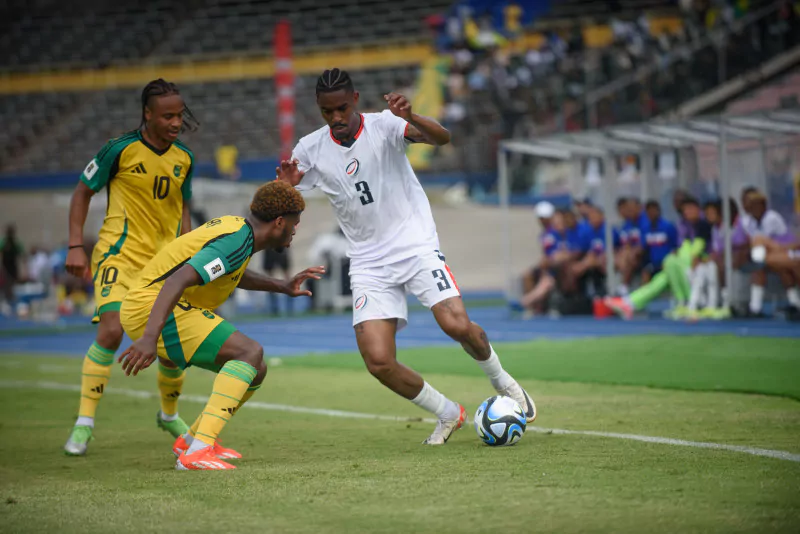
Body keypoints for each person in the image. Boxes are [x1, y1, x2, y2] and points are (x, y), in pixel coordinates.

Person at [276, 68, 536, 445]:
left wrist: (411, 116)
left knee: (457, 325)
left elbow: (442, 138)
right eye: (327, 111)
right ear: (318, 108)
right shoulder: (309, 149)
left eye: (342, 108)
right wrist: (285, 189)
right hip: (367, 261)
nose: (336, 117)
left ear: (355, 100)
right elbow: (281, 199)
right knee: (378, 361)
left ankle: (504, 383)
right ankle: (448, 413)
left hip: (414, 244)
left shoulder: (384, 125)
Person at [118, 181, 324, 470]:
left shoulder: (239, 232)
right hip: (150, 307)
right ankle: (197, 453)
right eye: (295, 222)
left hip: (160, 305)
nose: (295, 229)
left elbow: (231, 270)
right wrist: (149, 337)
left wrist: (281, 285)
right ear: (279, 222)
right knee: (249, 352)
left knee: (256, 369)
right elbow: (178, 279)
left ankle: (190, 441)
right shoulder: (236, 241)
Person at [63, 79, 199, 456]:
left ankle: (169, 415)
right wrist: (75, 246)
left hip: (164, 264)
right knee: (111, 330)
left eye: (179, 115)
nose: (176, 122)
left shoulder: (184, 159)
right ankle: (84, 423)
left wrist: (190, 256)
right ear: (147, 114)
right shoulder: (119, 149)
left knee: (171, 346)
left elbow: (183, 208)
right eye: (168, 116)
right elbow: (82, 192)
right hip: (118, 255)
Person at [605, 197, 712, 319]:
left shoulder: (703, 224)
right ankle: (629, 303)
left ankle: (689, 302)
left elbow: (697, 248)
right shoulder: (684, 225)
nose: (687, 212)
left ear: (698, 209)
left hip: (700, 263)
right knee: (663, 274)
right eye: (685, 210)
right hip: (679, 264)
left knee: (669, 265)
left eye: (690, 209)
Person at [738, 190, 800, 316]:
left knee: (759, 241)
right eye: (750, 205)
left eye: (755, 205)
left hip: (785, 250)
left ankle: (758, 261)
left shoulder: (771, 217)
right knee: (759, 269)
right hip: (772, 256)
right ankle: (755, 309)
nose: (752, 208)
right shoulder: (748, 220)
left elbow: (773, 243)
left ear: (763, 206)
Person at [640, 200, 678, 284]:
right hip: (653, 263)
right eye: (649, 212)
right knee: (645, 272)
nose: (651, 213)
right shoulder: (645, 229)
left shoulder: (668, 226)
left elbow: (674, 246)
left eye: (653, 210)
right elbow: (644, 246)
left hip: (666, 262)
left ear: (658, 211)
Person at [0, 224, 25, 315]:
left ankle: (12, 301)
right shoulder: (3, 242)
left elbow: (22, 255)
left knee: (12, 284)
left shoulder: (16, 243)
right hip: (5, 267)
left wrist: (24, 270)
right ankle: (7, 301)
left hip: (13, 267)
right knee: (6, 285)